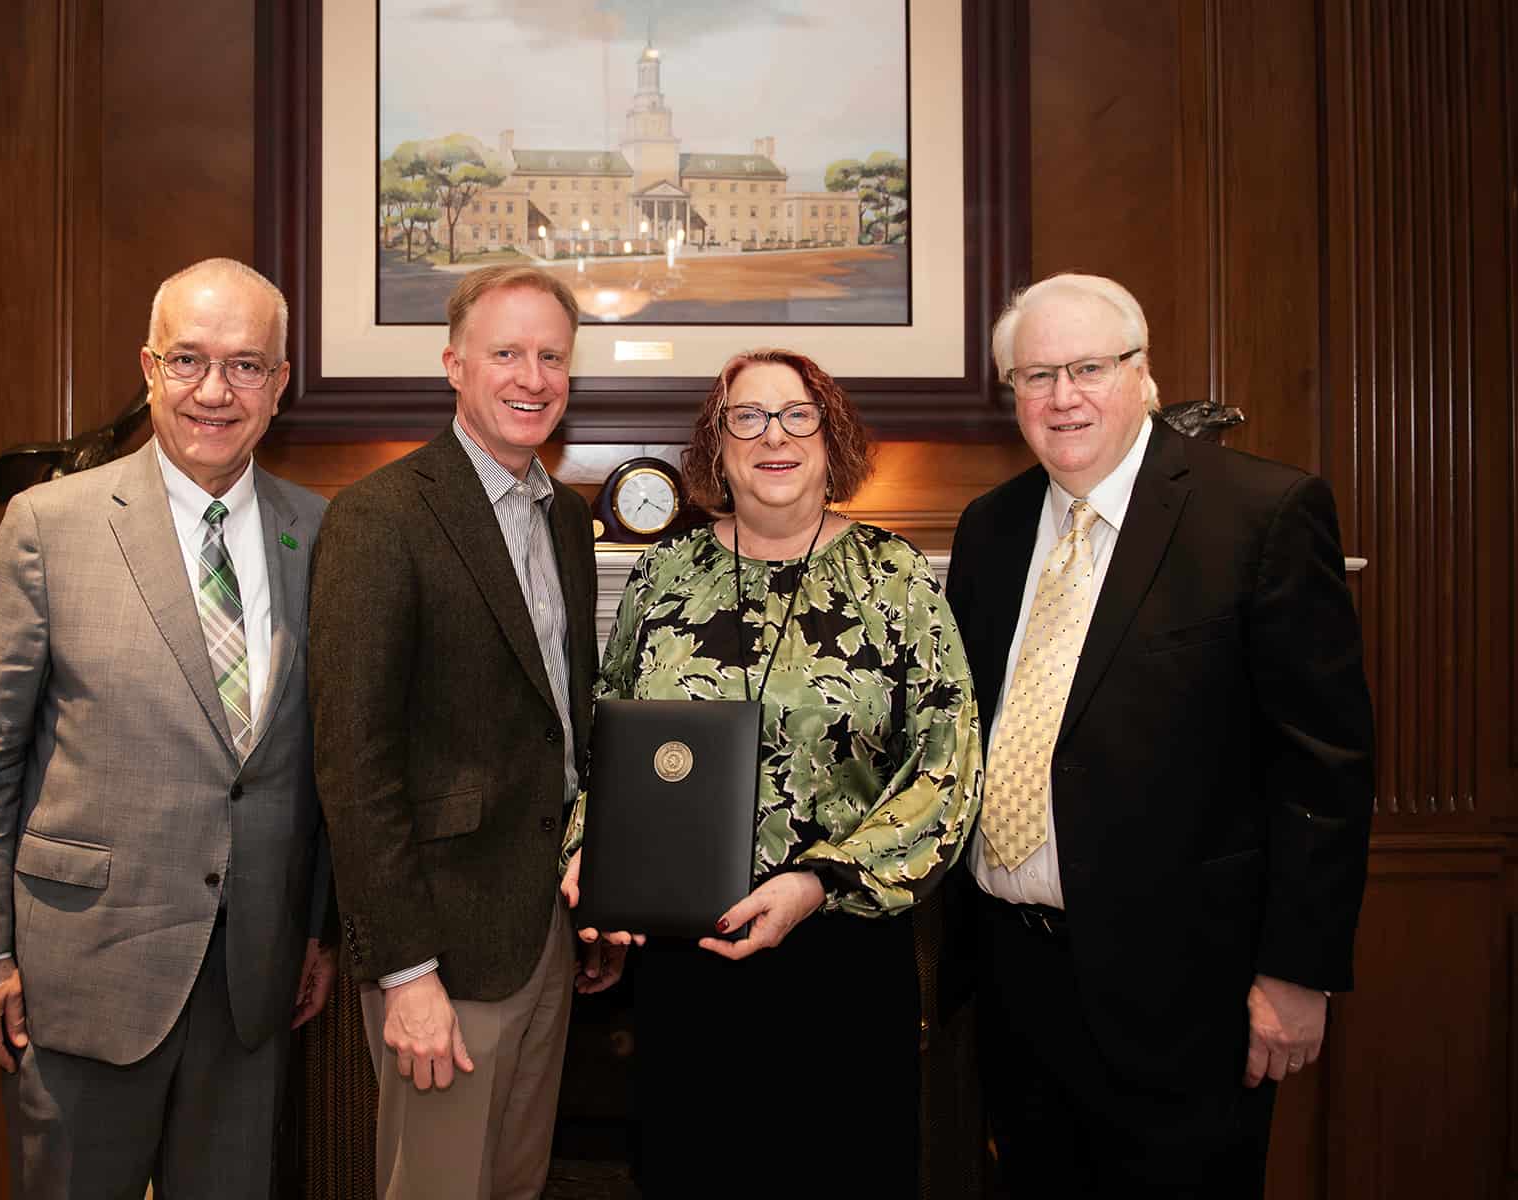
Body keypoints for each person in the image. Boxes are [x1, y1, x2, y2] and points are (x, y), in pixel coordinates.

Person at [943, 272, 1375, 1195]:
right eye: (1036, 375)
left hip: (1189, 995)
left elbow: (1324, 764)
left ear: (1143, 373)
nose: (1063, 397)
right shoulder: (991, 528)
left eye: (1088, 367)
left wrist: (1298, 973)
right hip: (1017, 986)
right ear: (1011, 394)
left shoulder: (1260, 514)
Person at [0, 257, 337, 1198]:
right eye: (189, 359)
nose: (213, 390)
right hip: (82, 972)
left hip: (252, 981)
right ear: (149, 368)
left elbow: (321, 761)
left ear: (278, 386)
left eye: (245, 365)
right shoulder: (48, 525)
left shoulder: (319, 532)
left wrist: (316, 930)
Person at [560, 348, 985, 1195]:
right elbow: (607, 738)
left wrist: (818, 883)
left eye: (798, 414)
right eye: (745, 418)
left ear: (834, 439)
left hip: (843, 954)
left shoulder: (894, 577)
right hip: (687, 957)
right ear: (716, 448)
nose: (773, 436)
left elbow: (950, 764)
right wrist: (593, 857)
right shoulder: (663, 572)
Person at [309, 265, 615, 1200]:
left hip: (544, 935)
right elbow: (353, 769)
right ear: (453, 365)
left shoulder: (563, 513)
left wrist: (595, 887)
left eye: (552, 357)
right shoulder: (380, 516)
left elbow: (562, 726)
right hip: (437, 948)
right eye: (507, 354)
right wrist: (405, 974)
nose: (533, 378)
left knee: (516, 1185)